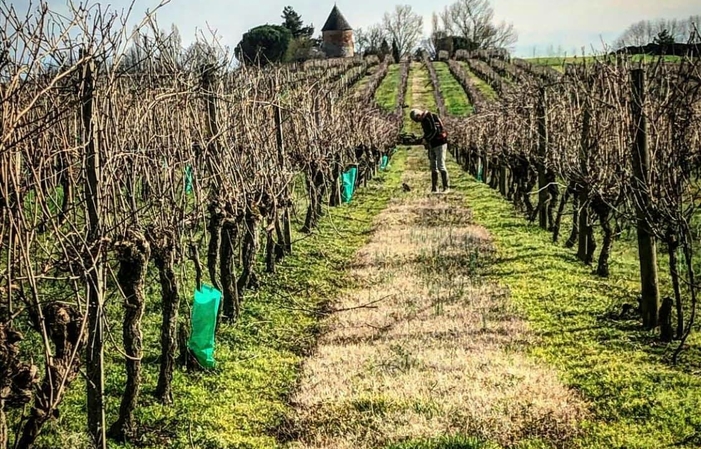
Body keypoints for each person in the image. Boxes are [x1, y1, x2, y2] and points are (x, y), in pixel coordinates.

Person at [410, 108, 449, 193]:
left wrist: (426, 140)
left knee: (441, 165)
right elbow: (428, 132)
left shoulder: (430, 117)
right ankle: (434, 188)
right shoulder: (424, 120)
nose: (418, 122)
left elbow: (434, 130)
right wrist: (423, 139)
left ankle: (446, 187)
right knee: (433, 166)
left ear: (418, 115)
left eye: (417, 119)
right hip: (433, 144)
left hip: (440, 143)